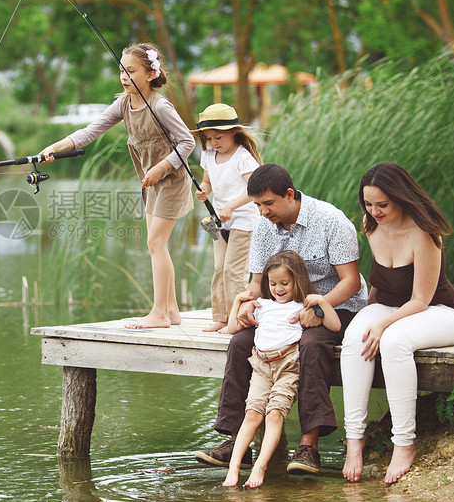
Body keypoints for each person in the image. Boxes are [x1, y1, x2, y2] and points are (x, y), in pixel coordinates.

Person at [195, 163, 367, 474]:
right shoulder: (263, 226)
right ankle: (238, 442)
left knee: (313, 344)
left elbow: (351, 283)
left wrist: (317, 307)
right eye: (257, 204)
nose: (262, 212)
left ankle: (308, 445)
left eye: (268, 203)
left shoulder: (331, 221)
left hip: (336, 305)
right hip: (282, 307)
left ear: (289, 195)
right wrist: (249, 305)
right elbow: (256, 282)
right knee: (240, 341)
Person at [39, 42, 195, 329]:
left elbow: (188, 141)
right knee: (157, 245)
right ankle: (171, 310)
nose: (123, 75)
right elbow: (89, 132)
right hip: (149, 182)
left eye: (131, 70)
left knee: (155, 243)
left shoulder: (161, 106)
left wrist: (162, 167)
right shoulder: (123, 103)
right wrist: (55, 147)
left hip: (171, 181)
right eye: (121, 69)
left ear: (150, 74)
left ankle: (159, 313)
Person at [341, 162, 454, 485]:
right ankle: (355, 441)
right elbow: (382, 287)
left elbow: (420, 300)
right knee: (355, 338)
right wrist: (372, 319)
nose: (374, 211)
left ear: (400, 197)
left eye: (382, 204)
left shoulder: (424, 232)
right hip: (390, 307)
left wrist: (383, 325)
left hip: (437, 312)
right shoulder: (370, 225)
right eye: (368, 204)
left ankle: (404, 443)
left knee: (394, 341)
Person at [223, 250, 341, 488]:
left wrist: (322, 302)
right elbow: (233, 328)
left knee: (274, 414)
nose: (278, 288)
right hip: (261, 367)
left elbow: (335, 325)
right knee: (252, 414)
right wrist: (238, 302)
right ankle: (234, 468)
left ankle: (260, 466)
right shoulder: (262, 305)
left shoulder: (303, 306)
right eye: (273, 283)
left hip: (287, 367)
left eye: (285, 283)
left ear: (297, 280)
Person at [191, 103, 261, 333]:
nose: (214, 143)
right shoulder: (209, 155)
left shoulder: (243, 157)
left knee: (234, 270)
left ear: (233, 132)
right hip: (218, 221)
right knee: (220, 268)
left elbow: (254, 190)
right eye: (209, 138)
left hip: (243, 221)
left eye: (218, 137)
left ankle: (239, 318)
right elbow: (208, 182)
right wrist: (203, 190)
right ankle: (221, 317)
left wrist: (231, 206)